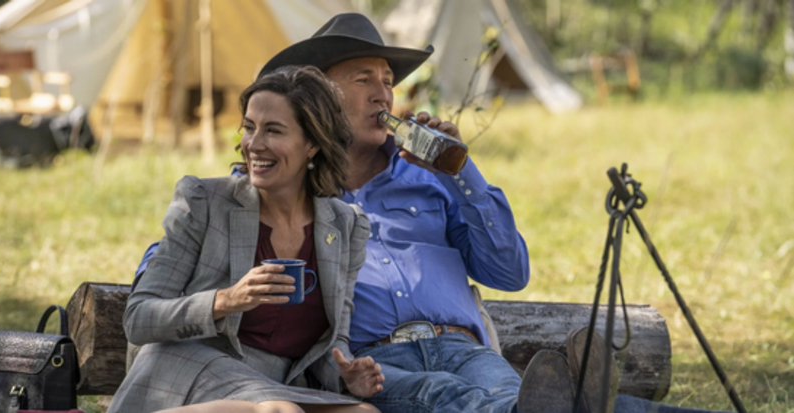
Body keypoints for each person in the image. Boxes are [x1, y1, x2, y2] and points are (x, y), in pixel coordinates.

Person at [135, 13, 732, 413]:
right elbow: (179, 260)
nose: (384, 94)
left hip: (467, 346)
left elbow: (510, 271)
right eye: (363, 78)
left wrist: (463, 171)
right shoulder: (284, 186)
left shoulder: (434, 178)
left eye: (388, 81)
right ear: (317, 93)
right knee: (469, 397)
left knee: (496, 391)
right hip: (377, 362)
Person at [110, 66, 383, 413]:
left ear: (312, 143)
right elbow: (138, 318)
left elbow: (333, 342)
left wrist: (346, 375)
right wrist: (226, 300)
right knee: (279, 412)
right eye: (249, 128)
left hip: (274, 384)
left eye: (273, 130)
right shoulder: (204, 201)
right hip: (190, 366)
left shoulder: (346, 226)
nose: (253, 144)